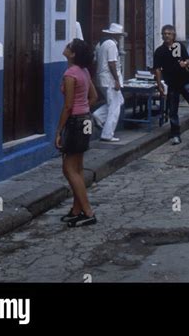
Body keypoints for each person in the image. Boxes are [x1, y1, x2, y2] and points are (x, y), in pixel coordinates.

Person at [56, 39, 98, 227]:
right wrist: (84, 111)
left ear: (72, 54)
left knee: (68, 168)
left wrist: (59, 131)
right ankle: (76, 209)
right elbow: (94, 97)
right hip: (86, 119)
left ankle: (88, 211)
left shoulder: (70, 74)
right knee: (78, 168)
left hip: (75, 122)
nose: (65, 48)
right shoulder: (84, 71)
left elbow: (68, 105)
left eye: (68, 47)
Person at [92, 23, 125, 142]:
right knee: (114, 107)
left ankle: (98, 116)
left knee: (120, 100)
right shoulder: (111, 45)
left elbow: (96, 61)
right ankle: (107, 134)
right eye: (120, 35)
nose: (120, 37)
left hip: (102, 78)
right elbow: (112, 63)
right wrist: (116, 80)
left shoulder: (100, 44)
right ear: (116, 35)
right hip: (110, 80)